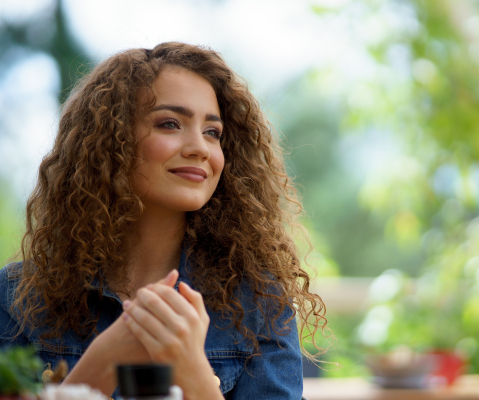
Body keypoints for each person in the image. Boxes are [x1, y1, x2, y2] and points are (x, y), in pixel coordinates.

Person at [0, 42, 327, 400]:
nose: (200, 148)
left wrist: (193, 370)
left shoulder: (260, 302)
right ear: (111, 141)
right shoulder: (15, 299)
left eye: (212, 132)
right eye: (170, 124)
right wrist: (102, 363)